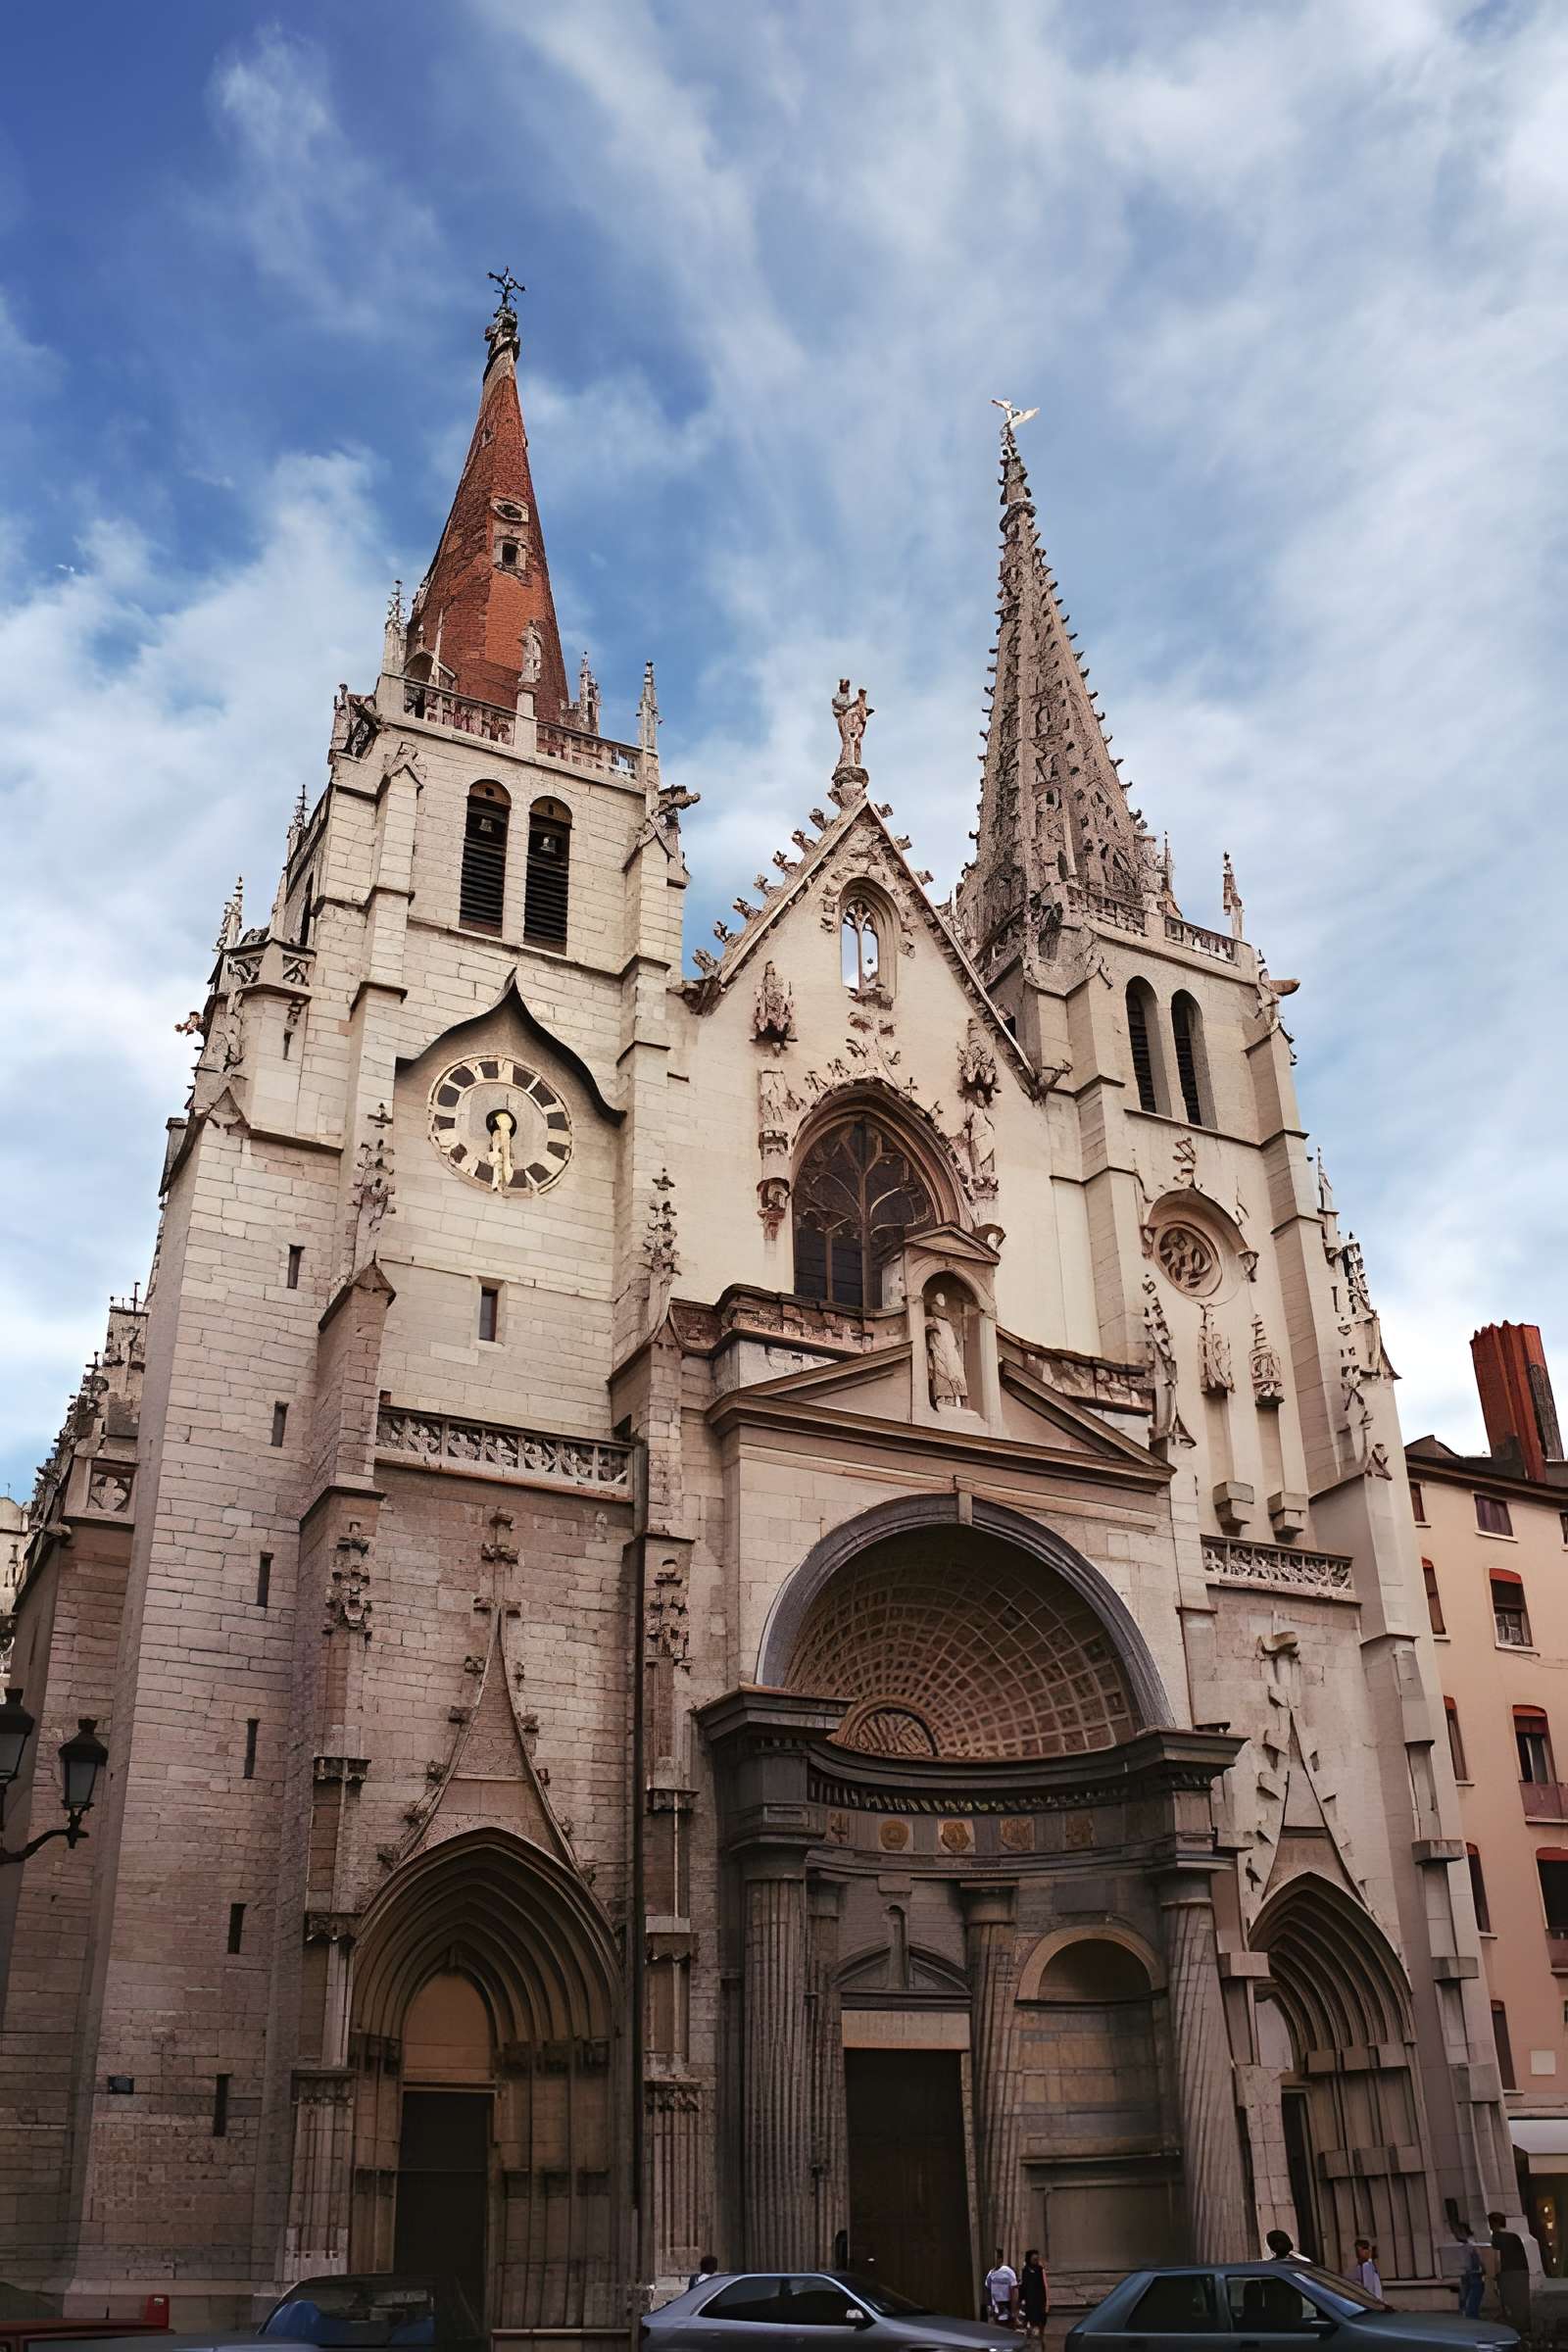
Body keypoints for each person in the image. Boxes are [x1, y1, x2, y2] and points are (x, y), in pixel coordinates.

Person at [1489, 2212, 1531, 2333]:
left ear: (1494, 2223)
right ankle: (1521, 2326)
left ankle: (1517, 2327)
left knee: (1512, 2301)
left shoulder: (1499, 2237)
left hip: (1511, 2273)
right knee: (1519, 2302)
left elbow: (1496, 2253)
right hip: (1519, 2271)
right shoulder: (1514, 2236)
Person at [1454, 2222, 1486, 2320]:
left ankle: (1471, 2317)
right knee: (1465, 2299)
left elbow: (1478, 2259)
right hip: (1467, 2274)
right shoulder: (1463, 2244)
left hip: (1472, 2274)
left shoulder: (1470, 2243)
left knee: (1471, 2301)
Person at [1017, 2250, 1049, 2344]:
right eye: (1034, 2259)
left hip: (1039, 2302)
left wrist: (1046, 2303)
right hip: (1028, 2303)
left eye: (1037, 2259)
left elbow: (1045, 2286)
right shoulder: (1025, 2271)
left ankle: (1040, 2343)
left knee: (1039, 2325)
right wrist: (1020, 2300)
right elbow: (1023, 2287)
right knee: (1028, 2327)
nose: (1036, 2261)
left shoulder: (1040, 2270)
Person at [984, 2250, 1018, 2326]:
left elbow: (1014, 2289)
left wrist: (1013, 2309)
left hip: (1006, 2304)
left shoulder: (1008, 2271)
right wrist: (989, 2305)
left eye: (996, 2257)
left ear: (1000, 2259)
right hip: (995, 2305)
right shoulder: (990, 2273)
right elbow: (987, 2289)